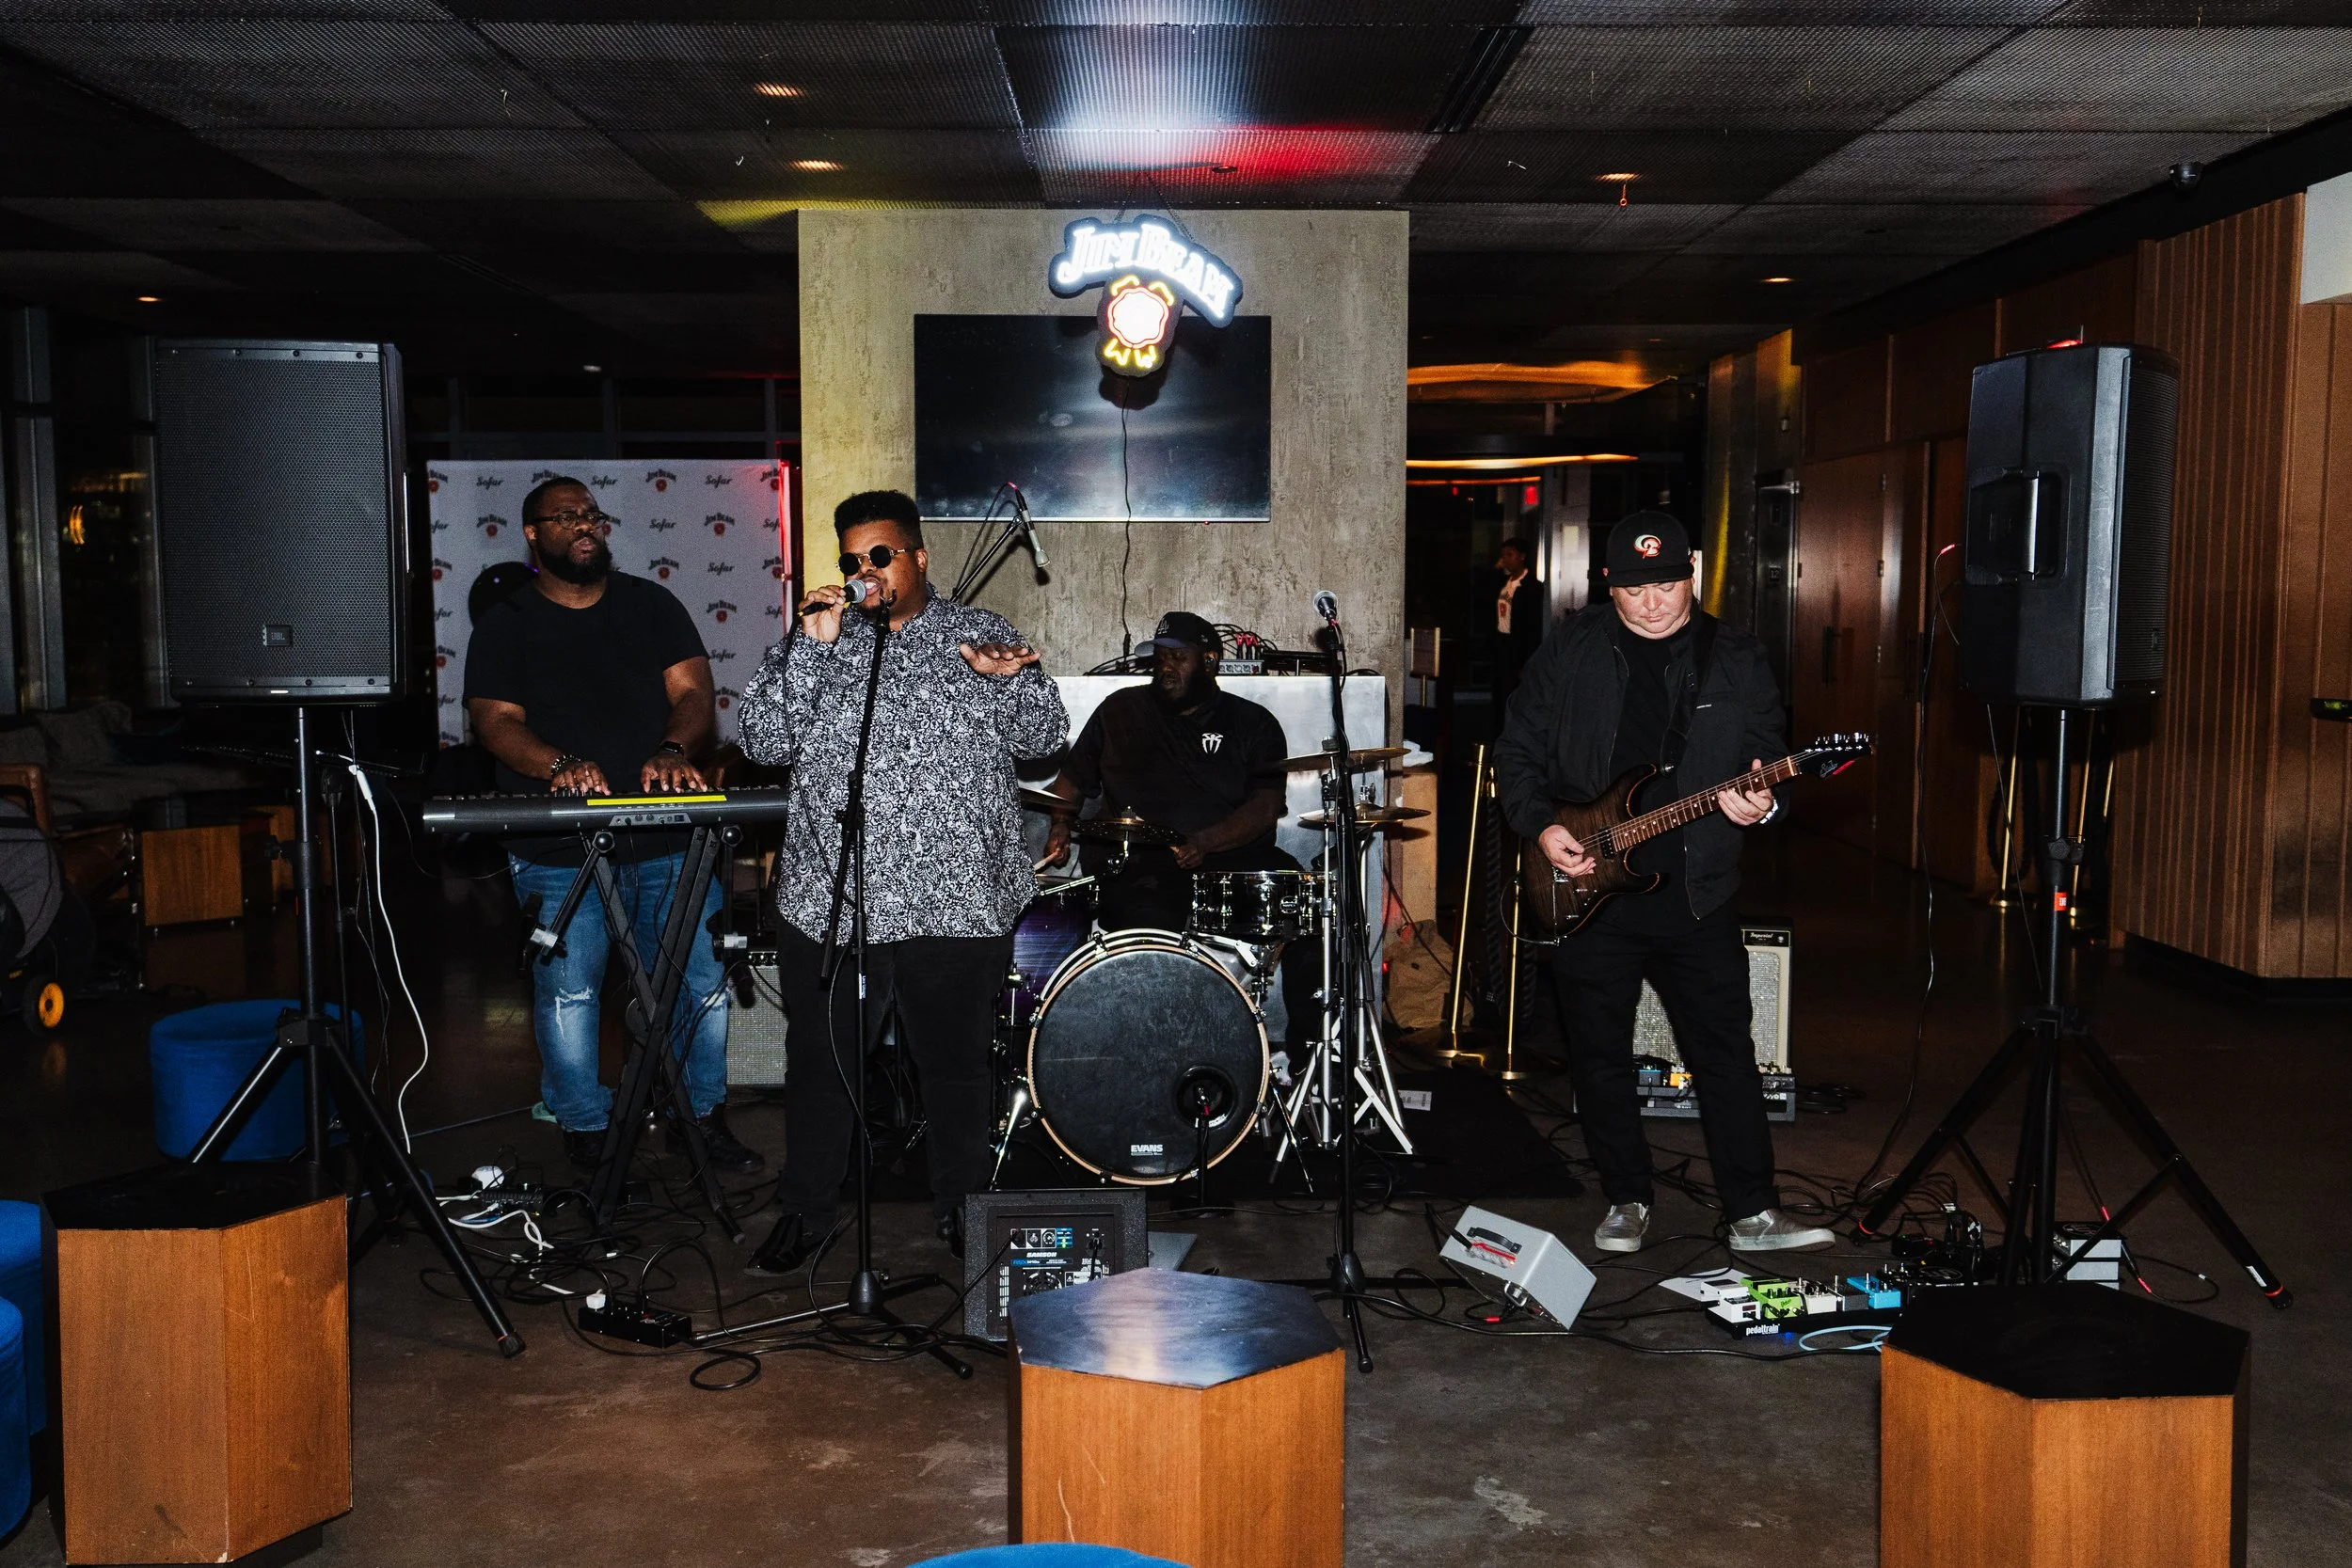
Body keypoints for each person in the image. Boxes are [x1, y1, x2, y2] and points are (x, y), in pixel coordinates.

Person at [735, 488, 1067, 1273]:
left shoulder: (981, 633)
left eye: (880, 555)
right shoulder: (822, 638)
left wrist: (1007, 682)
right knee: (821, 1066)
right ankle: (808, 1210)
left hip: (956, 900)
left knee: (954, 1069)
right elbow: (762, 741)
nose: (866, 571)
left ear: (918, 556)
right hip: (836, 900)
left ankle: (962, 1208)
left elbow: (1046, 737)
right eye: (853, 559)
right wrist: (809, 650)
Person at [1494, 511, 1832, 1256]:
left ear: (1692, 576)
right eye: (1634, 588)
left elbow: (1766, 756)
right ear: (1608, 585)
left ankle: (1753, 1211)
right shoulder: (1571, 647)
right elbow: (1517, 747)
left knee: (1726, 1052)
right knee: (1599, 1053)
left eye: (1667, 584)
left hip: (1696, 891)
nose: (1652, 602)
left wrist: (1763, 799)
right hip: (1589, 883)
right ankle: (1626, 1196)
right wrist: (1541, 826)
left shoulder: (1735, 656)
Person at [463, 475, 762, 1177]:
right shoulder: (507, 623)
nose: (584, 524)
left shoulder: (650, 605)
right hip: (558, 845)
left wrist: (673, 749)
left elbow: (694, 692)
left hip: (668, 836)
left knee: (700, 979)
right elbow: (496, 722)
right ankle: (587, 1127)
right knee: (570, 991)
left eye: (592, 514)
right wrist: (559, 765)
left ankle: (700, 1115)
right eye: (565, 516)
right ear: (533, 534)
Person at [1041, 610, 1321, 1072]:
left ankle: (1308, 1062)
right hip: (1142, 865)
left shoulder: (1252, 722)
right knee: (1145, 922)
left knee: (1309, 908)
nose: (1166, 667)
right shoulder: (1120, 710)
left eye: (1178, 658)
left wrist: (1206, 842)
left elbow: (1265, 806)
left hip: (1230, 859)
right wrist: (1059, 822)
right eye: (1160, 658)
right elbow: (1070, 781)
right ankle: (1147, 1061)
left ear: (1209, 661)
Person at [1490, 535, 1545, 706]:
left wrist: (1526, 660)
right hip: (1502, 642)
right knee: (1500, 692)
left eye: (1510, 554)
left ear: (1522, 556)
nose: (1505, 559)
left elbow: (1532, 625)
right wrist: (1496, 569)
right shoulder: (1503, 583)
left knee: (1515, 693)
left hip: (1518, 646)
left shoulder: (1531, 586)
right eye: (1503, 555)